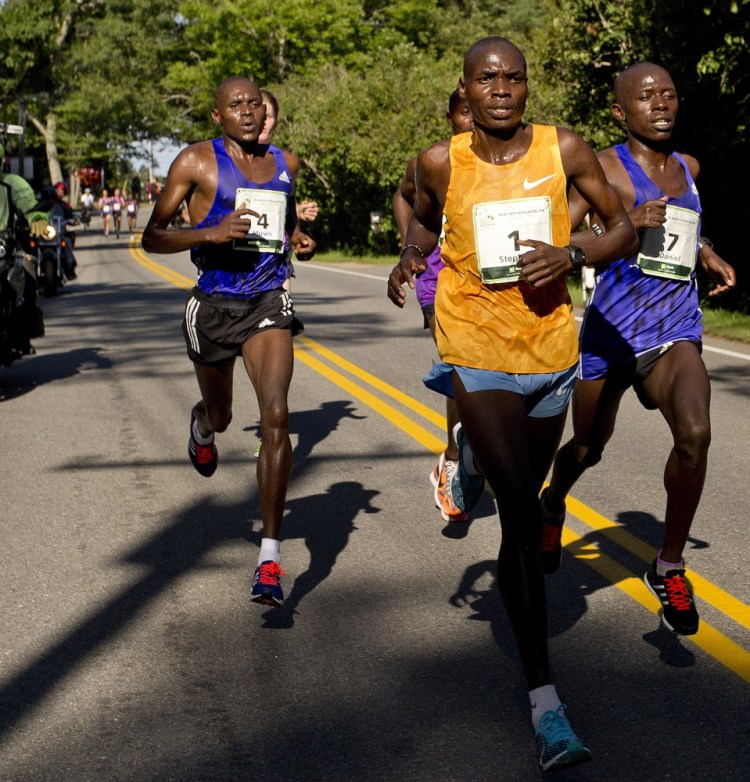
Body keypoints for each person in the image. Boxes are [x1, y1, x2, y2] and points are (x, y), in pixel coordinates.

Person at [387, 37, 637, 771]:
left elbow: (625, 224)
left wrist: (575, 255)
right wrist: (411, 252)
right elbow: (427, 217)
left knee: (520, 517)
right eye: (487, 77)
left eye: (514, 77)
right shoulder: (442, 159)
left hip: (550, 351)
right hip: (473, 347)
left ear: (529, 86)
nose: (501, 88)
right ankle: (546, 705)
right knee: (524, 516)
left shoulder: (566, 148)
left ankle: (471, 459)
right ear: (465, 86)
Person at [540, 63, 736, 637]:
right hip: (610, 335)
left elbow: (685, 229)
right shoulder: (602, 169)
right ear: (621, 112)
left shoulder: (689, 169)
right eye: (647, 97)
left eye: (669, 95)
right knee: (589, 448)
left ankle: (668, 564)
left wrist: (706, 251)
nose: (661, 104)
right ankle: (554, 503)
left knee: (695, 434)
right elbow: (562, 243)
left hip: (674, 331)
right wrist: (622, 226)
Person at [142, 75, 315, 608]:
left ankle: (268, 559)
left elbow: (283, 230)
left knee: (277, 416)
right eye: (235, 104)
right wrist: (209, 234)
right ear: (218, 115)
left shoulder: (286, 163)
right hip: (213, 307)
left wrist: (300, 242)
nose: (247, 110)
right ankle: (201, 425)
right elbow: (153, 236)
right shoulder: (195, 162)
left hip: (267, 301)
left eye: (254, 102)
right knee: (221, 415)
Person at [391, 89, 474, 523]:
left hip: (489, 283)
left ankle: (473, 449)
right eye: (463, 113)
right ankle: (455, 459)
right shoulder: (433, 162)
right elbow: (404, 197)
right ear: (449, 117)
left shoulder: (510, 161)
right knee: (458, 364)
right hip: (438, 277)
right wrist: (410, 247)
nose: (472, 121)